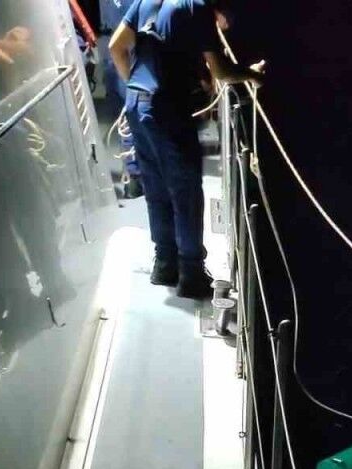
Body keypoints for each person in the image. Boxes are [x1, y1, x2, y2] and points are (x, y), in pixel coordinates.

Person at [108, 0, 266, 298]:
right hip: (168, 108)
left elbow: (116, 47)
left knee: (156, 187)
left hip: (136, 103)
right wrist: (252, 74)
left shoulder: (144, 1)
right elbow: (221, 71)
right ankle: (191, 274)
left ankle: (164, 265)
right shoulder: (196, 6)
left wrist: (136, 87)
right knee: (186, 192)